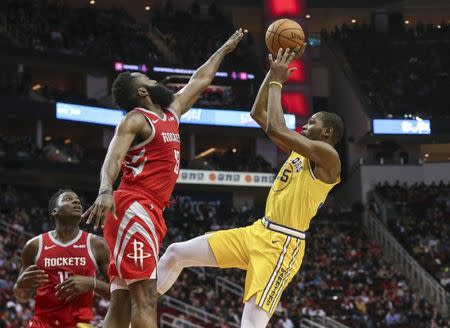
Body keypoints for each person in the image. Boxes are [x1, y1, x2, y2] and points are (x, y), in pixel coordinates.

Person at [156, 47, 343, 327]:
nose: (305, 125)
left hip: (283, 244)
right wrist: (271, 76)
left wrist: (279, 82)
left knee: (252, 321)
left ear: (327, 133)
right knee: (175, 253)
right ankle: (136, 312)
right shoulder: (301, 152)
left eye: (312, 122)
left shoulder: (329, 157)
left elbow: (276, 128)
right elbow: (258, 113)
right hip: (258, 230)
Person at [82, 29, 245, 328]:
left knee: (122, 301)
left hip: (149, 210)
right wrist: (105, 190)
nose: (155, 81)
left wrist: (224, 49)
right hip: (133, 206)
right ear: (142, 92)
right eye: (148, 80)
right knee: (146, 298)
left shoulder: (171, 113)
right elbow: (113, 157)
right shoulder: (135, 119)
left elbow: (200, 80)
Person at [14, 189, 110, 328]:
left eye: (77, 199)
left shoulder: (97, 244)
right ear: (55, 211)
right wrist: (20, 285)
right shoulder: (34, 245)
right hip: (42, 324)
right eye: (68, 199)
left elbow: (119, 293)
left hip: (79, 324)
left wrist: (92, 283)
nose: (76, 201)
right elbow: (22, 296)